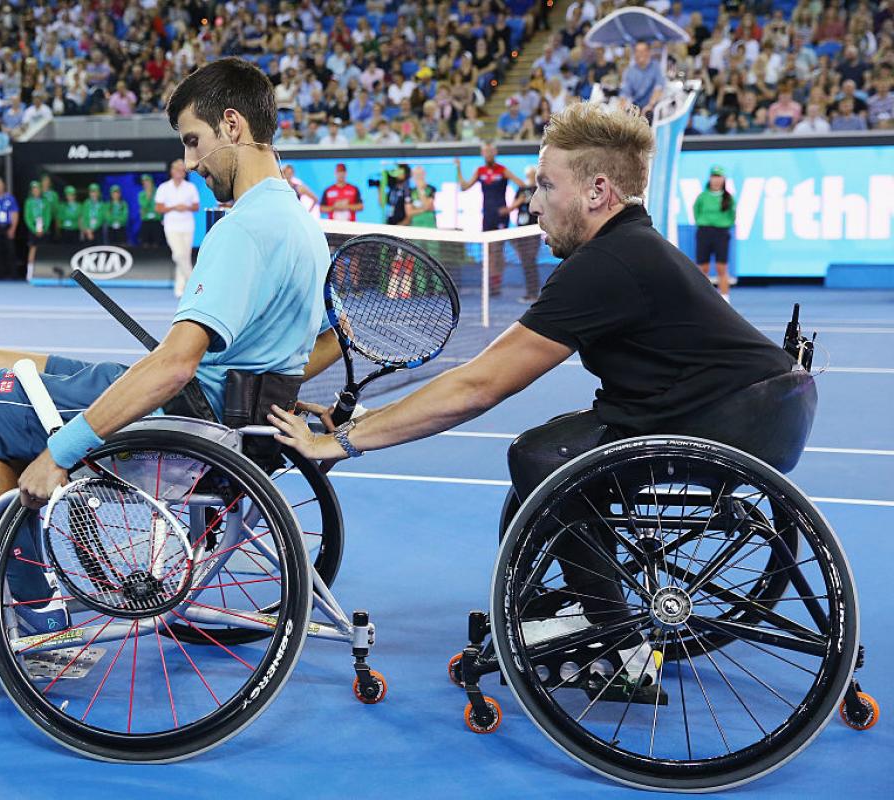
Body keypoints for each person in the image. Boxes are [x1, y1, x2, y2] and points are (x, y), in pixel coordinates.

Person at [270, 102, 810, 684]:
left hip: (738, 418)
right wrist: (377, 416)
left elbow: (478, 385)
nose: (532, 204)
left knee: (542, 455)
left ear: (597, 190)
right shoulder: (629, 249)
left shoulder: (608, 263)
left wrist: (344, 442)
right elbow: (477, 377)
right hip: (756, 409)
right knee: (561, 447)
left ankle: (617, 638)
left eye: (545, 186)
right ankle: (587, 609)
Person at [0, 57, 340, 648]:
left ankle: (32, 600)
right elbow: (318, 343)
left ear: (233, 125)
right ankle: (37, 547)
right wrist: (281, 396)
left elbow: (174, 365)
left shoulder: (243, 228)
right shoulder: (300, 221)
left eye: (194, 143)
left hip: (188, 419)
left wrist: (62, 451)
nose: (192, 164)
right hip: (225, 410)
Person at [456, 142, 525, 294]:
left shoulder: (502, 170)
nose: (488, 154)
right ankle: (491, 281)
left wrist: (511, 208)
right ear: (482, 154)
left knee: (498, 250)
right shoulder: (480, 171)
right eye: (485, 152)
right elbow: (464, 187)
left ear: (495, 153)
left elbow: (523, 186)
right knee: (489, 250)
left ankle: (495, 282)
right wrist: (458, 168)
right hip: (487, 215)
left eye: (490, 151)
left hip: (501, 215)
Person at [154, 158, 200, 296]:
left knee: (185, 257)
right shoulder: (164, 187)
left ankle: (180, 289)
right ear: (172, 171)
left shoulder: (190, 187)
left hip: (187, 226)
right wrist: (174, 207)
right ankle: (194, 282)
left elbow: (196, 206)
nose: (179, 172)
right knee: (178, 255)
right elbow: (159, 208)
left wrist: (185, 207)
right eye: (176, 169)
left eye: (181, 170)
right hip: (171, 226)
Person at [693, 165, 736, 301]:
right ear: (710, 178)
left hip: (721, 233)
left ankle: (724, 299)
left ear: (723, 179)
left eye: (719, 177)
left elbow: (732, 215)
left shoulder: (728, 198)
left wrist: (723, 224)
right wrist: (703, 222)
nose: (716, 180)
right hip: (704, 232)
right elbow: (696, 211)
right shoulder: (702, 197)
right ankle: (703, 298)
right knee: (702, 268)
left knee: (721, 267)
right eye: (714, 176)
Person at [508, 166, 543, 302]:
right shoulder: (521, 190)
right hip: (520, 231)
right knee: (525, 262)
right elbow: (514, 206)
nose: (530, 177)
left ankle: (533, 293)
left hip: (533, 232)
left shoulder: (539, 190)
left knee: (530, 261)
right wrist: (520, 201)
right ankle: (530, 292)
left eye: (533, 174)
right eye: (529, 175)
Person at [621, 42, 667, 117]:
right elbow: (625, 92)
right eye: (637, 51)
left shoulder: (656, 67)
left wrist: (650, 105)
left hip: (653, 107)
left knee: (649, 114)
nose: (640, 54)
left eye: (642, 51)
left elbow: (659, 88)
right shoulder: (630, 71)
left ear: (648, 52)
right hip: (636, 108)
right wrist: (621, 107)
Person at [22, 179, 51, 281]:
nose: (36, 191)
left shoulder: (45, 202)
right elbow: (27, 217)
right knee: (33, 249)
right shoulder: (28, 202)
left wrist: (44, 228)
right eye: (34, 189)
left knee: (44, 250)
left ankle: (45, 273)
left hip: (43, 229)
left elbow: (48, 216)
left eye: (37, 188)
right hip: (33, 229)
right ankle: (29, 273)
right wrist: (35, 230)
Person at [136, 173, 164, 247]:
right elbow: (144, 206)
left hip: (157, 221)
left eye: (147, 181)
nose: (146, 183)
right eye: (144, 182)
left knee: (157, 243)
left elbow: (160, 206)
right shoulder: (141, 194)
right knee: (145, 243)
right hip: (146, 222)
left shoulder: (158, 191)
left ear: (151, 182)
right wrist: (148, 196)